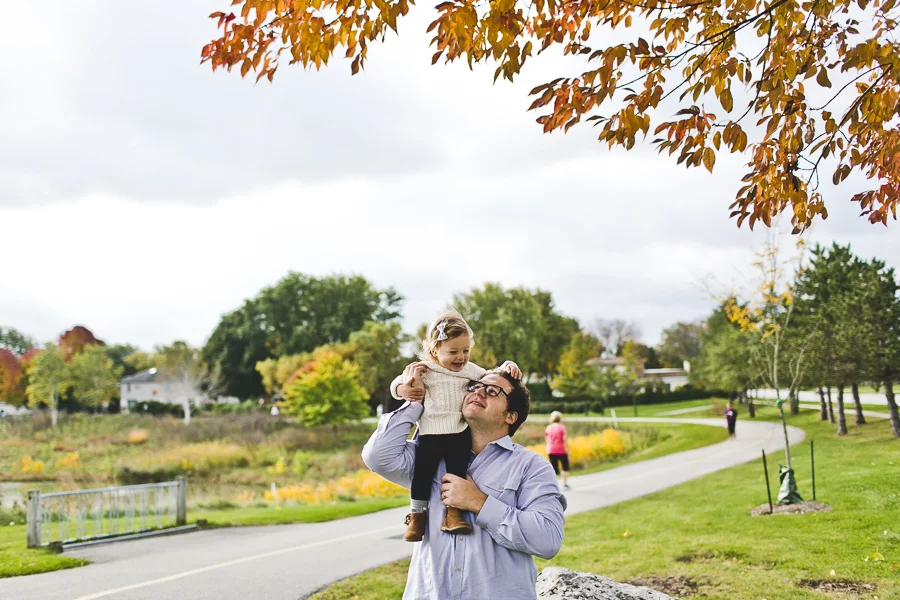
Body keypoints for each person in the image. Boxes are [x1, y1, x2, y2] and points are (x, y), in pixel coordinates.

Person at [362, 371, 566, 600]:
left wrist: (479, 502)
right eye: (474, 387)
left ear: (510, 416)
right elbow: (377, 456)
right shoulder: (428, 457)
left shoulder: (530, 466)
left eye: (492, 391)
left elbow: (547, 539)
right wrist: (416, 401)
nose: (478, 391)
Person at [388, 310, 521, 541]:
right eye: (453, 352)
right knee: (422, 474)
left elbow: (491, 375)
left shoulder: (470, 370)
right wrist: (403, 389)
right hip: (429, 433)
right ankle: (417, 517)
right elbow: (397, 384)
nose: (461, 357)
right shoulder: (424, 369)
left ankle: (453, 515)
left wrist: (507, 366)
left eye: (466, 351)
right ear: (434, 351)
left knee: (457, 474)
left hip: (459, 433)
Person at [545, 411, 570, 490]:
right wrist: (568, 450)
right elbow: (564, 440)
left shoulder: (548, 427)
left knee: (554, 469)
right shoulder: (562, 427)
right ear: (560, 418)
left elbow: (547, 440)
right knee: (564, 467)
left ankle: (554, 486)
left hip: (551, 450)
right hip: (561, 449)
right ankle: (565, 485)